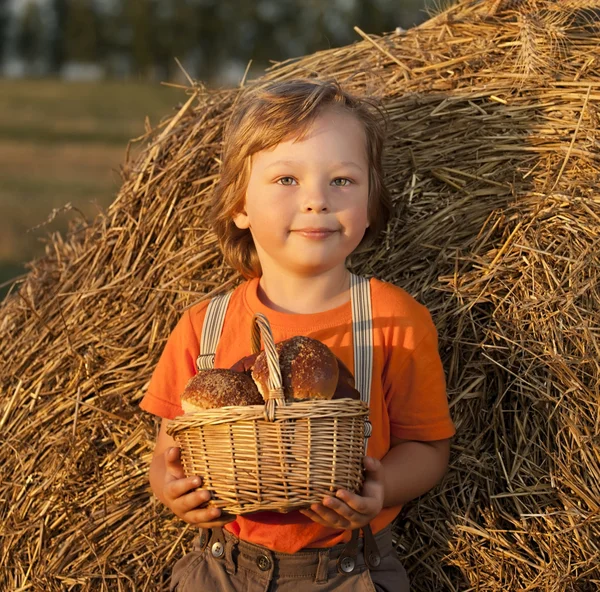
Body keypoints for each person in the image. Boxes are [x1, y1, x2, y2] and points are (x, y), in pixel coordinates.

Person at [140, 79, 455, 591]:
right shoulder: (204, 325)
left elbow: (427, 448)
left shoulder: (394, 320)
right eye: (287, 180)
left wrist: (381, 487)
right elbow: (167, 448)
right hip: (223, 567)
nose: (316, 201)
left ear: (372, 203)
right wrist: (170, 487)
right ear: (239, 205)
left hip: (347, 569)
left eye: (343, 181)